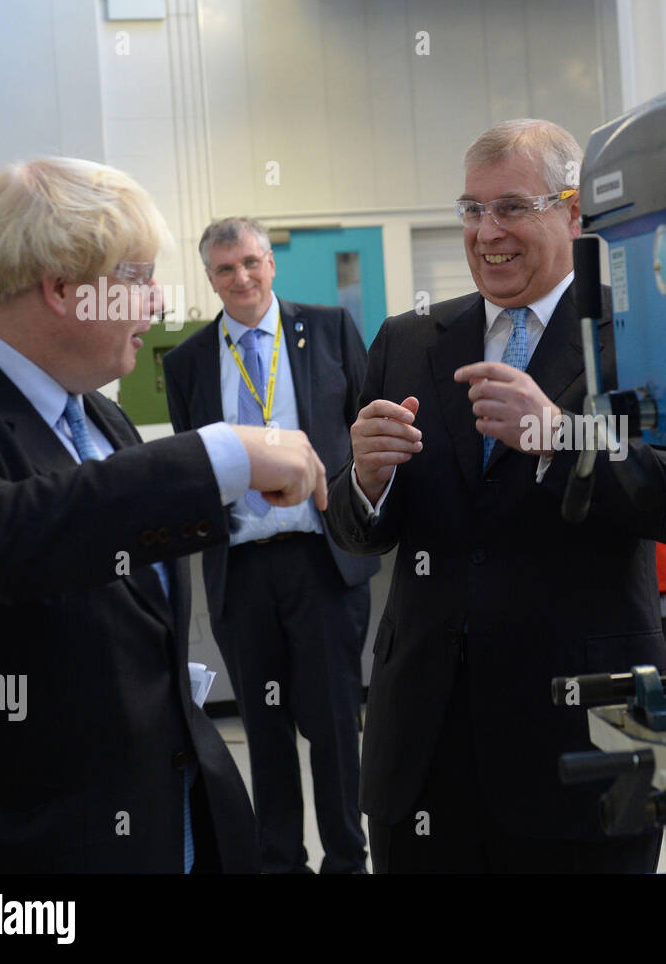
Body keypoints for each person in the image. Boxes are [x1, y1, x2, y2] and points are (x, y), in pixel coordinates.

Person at [0, 157, 331, 872]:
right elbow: (2, 534)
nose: (157, 306)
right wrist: (220, 455)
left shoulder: (98, 415)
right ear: (61, 289)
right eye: (137, 280)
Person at [323, 118, 666, 873]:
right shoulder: (409, 340)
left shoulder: (637, 335)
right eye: (472, 210)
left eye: (512, 207)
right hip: (423, 747)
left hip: (582, 740)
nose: (488, 232)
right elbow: (358, 531)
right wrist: (365, 479)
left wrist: (561, 436)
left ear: (573, 212)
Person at [163, 217, 377, 874]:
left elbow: (366, 430)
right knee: (264, 727)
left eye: (252, 262)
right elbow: (193, 465)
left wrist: (354, 501)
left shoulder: (331, 330)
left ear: (272, 264)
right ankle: (279, 861)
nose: (243, 278)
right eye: (226, 269)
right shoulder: (187, 361)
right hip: (243, 569)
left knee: (336, 725)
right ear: (210, 278)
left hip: (323, 560)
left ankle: (346, 856)